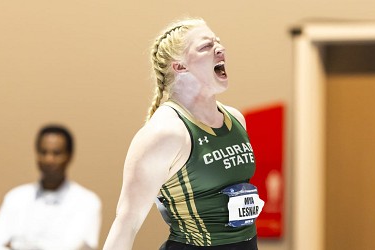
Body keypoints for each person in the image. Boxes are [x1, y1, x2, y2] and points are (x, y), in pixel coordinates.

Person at [103, 17, 264, 250]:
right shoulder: (166, 133)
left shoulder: (235, 118)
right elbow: (127, 222)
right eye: (206, 46)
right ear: (179, 66)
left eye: (218, 42)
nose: (220, 48)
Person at [0, 125, 102, 250]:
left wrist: (16, 245)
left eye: (56, 153)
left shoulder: (87, 202)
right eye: (43, 152)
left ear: (69, 156)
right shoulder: (15, 197)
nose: (49, 159)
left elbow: (77, 246)